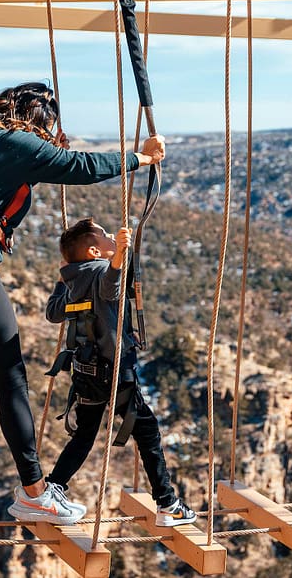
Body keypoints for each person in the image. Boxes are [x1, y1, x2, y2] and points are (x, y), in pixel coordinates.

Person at [0, 82, 164, 525]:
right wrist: (141, 157)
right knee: (11, 379)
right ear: (38, 117)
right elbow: (79, 167)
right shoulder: (9, 141)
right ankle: (36, 494)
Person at [44, 218, 196, 527]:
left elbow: (53, 312)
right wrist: (117, 260)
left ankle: (54, 485)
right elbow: (110, 288)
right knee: (148, 431)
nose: (111, 235)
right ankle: (167, 502)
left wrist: (67, 273)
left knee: (85, 434)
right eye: (104, 235)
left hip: (86, 372)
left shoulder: (72, 279)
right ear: (94, 251)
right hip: (115, 371)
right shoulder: (102, 271)